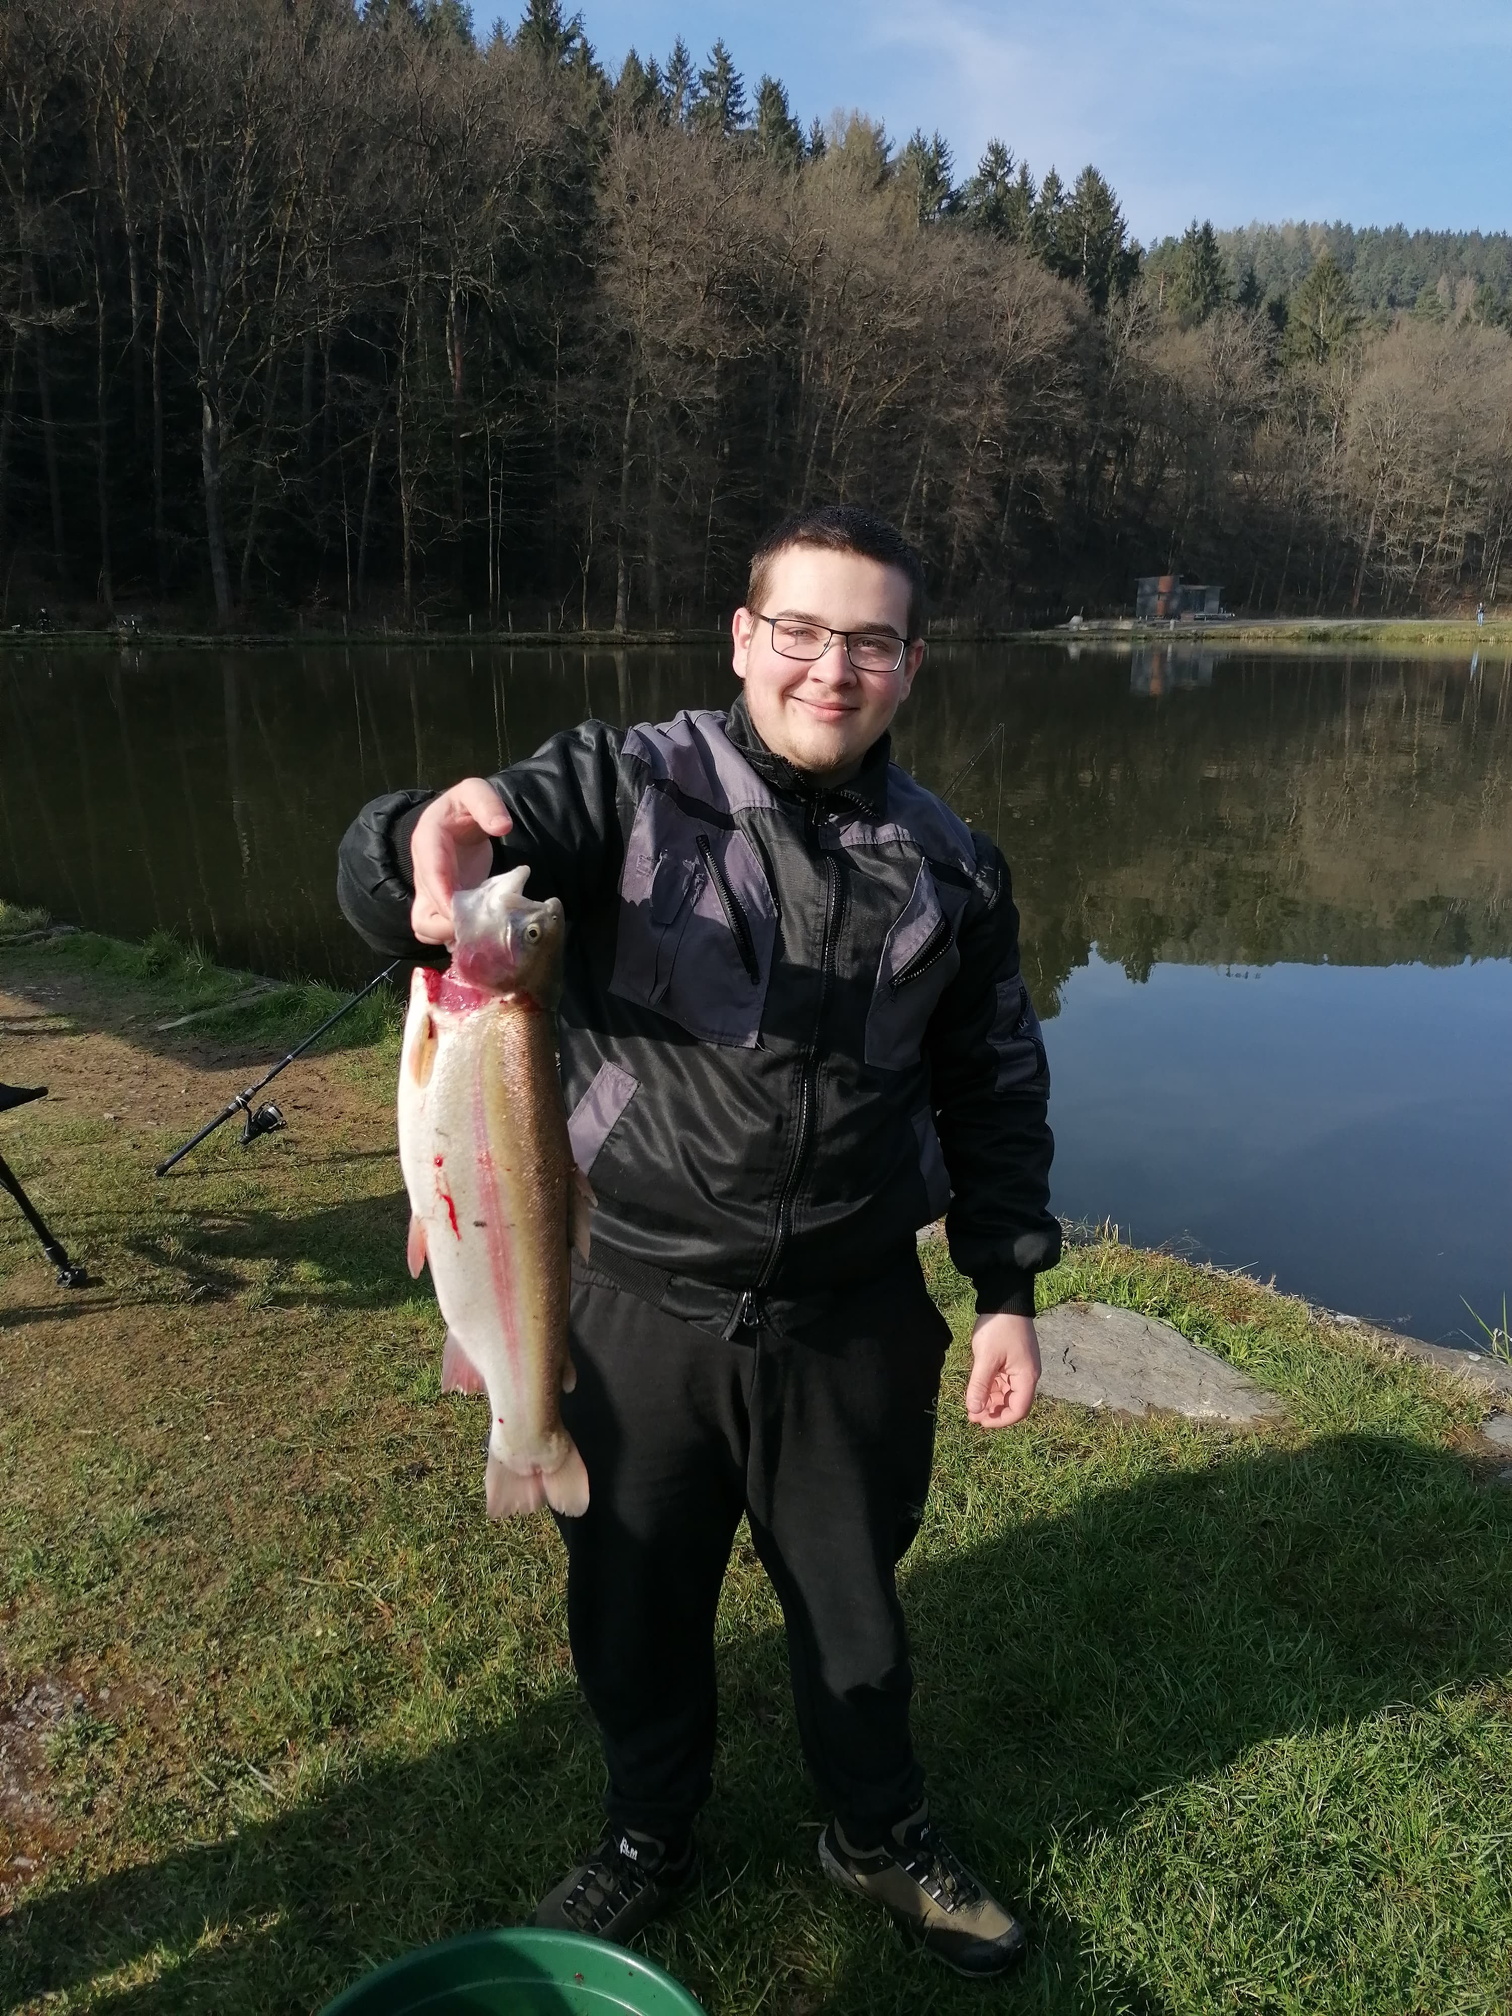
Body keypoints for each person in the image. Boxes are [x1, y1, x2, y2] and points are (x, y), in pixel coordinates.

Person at [336, 505, 1059, 1978]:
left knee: (856, 1618)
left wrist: (1006, 1287)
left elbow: (993, 1088)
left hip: (852, 1317)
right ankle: (646, 1834)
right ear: (743, 638)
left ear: (912, 665)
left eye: (870, 642)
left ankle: (875, 1830)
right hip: (630, 1305)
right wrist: (410, 843)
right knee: (634, 1603)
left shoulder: (956, 868)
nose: (831, 668)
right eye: (800, 630)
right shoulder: (621, 785)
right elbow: (433, 862)